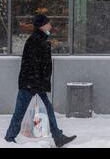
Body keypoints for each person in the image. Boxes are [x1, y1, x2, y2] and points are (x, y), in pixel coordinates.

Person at [5, 14, 76, 147]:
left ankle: (58, 137)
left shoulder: (40, 39)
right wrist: (36, 83)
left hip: (34, 83)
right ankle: (9, 138)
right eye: (48, 23)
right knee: (20, 111)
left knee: (46, 109)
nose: (50, 25)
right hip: (31, 84)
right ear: (42, 26)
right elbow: (32, 64)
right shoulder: (36, 40)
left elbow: (38, 65)